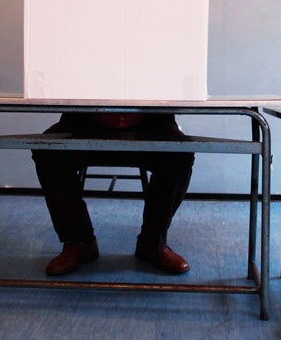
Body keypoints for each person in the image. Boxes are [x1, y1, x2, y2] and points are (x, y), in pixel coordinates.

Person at [31, 112, 194, 276]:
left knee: (180, 152)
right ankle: (79, 242)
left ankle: (152, 244)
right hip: (83, 121)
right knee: (47, 150)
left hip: (151, 122)